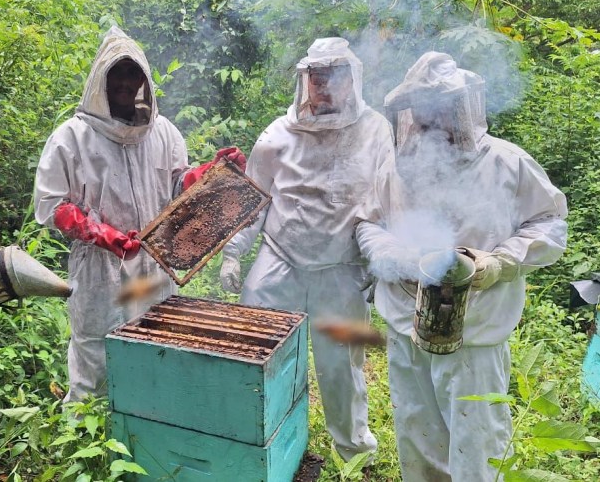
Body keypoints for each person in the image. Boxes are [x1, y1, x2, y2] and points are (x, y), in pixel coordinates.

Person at [355, 52, 567, 481]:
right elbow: (368, 223)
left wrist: (500, 262)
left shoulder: (508, 163)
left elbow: (550, 224)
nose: (437, 122)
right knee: (417, 434)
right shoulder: (395, 165)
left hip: (475, 329)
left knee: (477, 442)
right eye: (427, 111)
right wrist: (397, 257)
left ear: (468, 108)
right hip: (404, 321)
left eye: (446, 109)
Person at [34, 26, 245, 402]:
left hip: (154, 261)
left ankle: (145, 435)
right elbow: (51, 206)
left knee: (154, 350)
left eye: (134, 73)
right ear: (101, 78)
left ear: (144, 80)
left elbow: (180, 185)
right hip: (100, 270)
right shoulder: (71, 138)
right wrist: (101, 233)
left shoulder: (163, 133)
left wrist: (210, 174)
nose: (126, 82)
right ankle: (83, 446)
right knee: (95, 359)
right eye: (118, 72)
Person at [219, 37, 393, 462]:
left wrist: (382, 260)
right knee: (255, 348)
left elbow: (388, 198)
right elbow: (253, 198)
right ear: (305, 82)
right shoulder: (277, 135)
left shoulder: (375, 131)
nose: (325, 87)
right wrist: (233, 251)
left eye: (334, 77)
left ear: (353, 80)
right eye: (317, 78)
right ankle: (253, 441)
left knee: (340, 368)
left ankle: (354, 455)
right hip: (280, 259)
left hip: (342, 266)